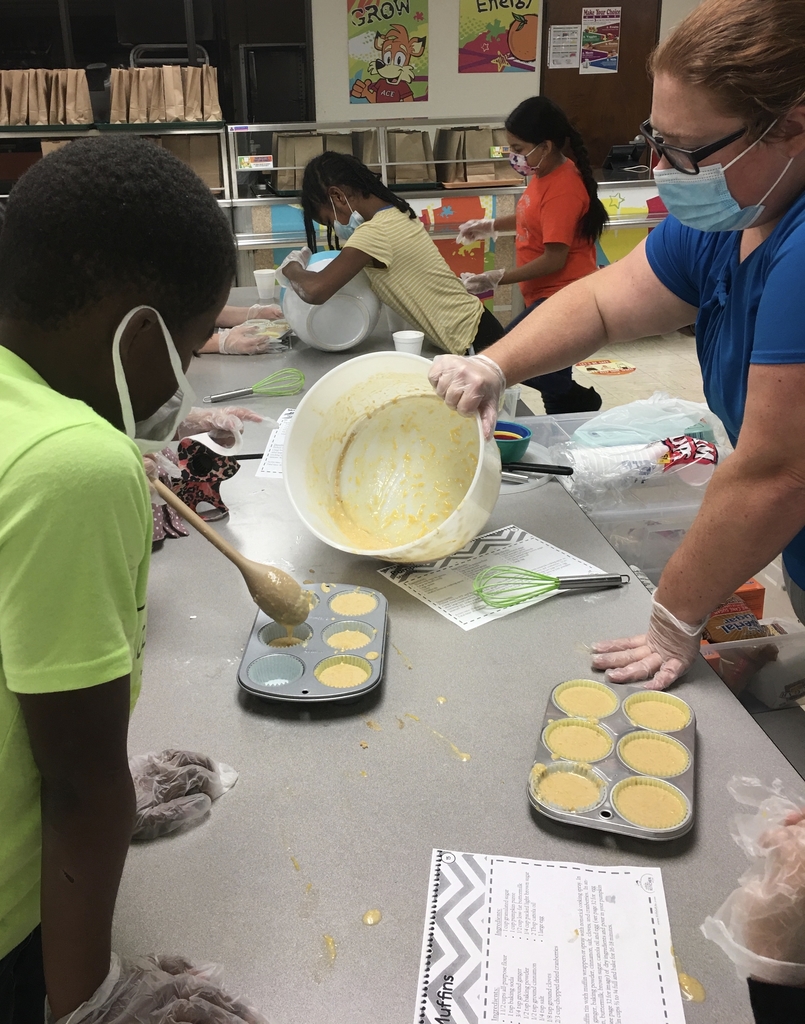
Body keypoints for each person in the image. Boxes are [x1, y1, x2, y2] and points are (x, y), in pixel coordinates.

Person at [430, 0, 805, 692]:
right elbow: (603, 301)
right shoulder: (731, 219)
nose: (664, 168)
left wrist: (672, 619)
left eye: (686, 150)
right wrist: (493, 364)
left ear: (790, 127)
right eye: (654, 139)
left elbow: (777, 474)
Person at [0, 137, 264, 1022]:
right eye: (185, 350)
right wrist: (89, 999)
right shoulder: (73, 463)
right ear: (137, 328)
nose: (180, 382)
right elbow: (79, 786)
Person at [456, 96, 608, 414]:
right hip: (543, 295)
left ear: (546, 146)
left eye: (519, 149)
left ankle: (576, 399)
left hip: (561, 298)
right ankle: (569, 410)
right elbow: (533, 216)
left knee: (505, 356)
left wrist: (496, 278)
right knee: (550, 377)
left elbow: (555, 258)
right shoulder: (543, 175)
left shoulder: (564, 186)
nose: (514, 156)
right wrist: (489, 225)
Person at [279, 151, 506, 355]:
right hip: (477, 326)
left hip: (474, 340)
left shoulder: (374, 232)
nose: (336, 228)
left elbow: (316, 291)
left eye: (330, 221)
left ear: (338, 197)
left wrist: (291, 267)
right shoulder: (397, 213)